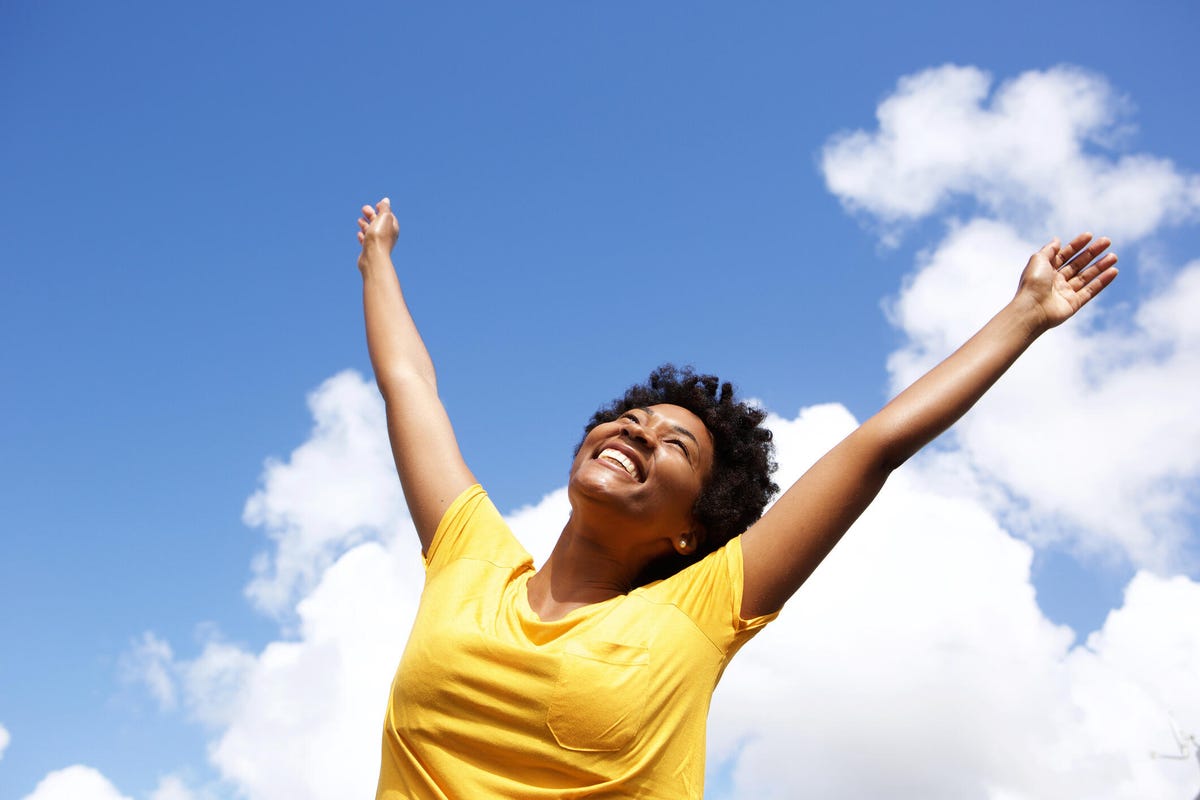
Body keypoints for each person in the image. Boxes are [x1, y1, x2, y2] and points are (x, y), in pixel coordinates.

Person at [355, 197, 1118, 799]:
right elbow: (409, 385)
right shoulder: (471, 560)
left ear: (693, 530)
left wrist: (1023, 315)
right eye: (632, 418)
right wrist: (379, 260)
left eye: (676, 444)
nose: (637, 431)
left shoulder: (697, 610)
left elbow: (872, 449)